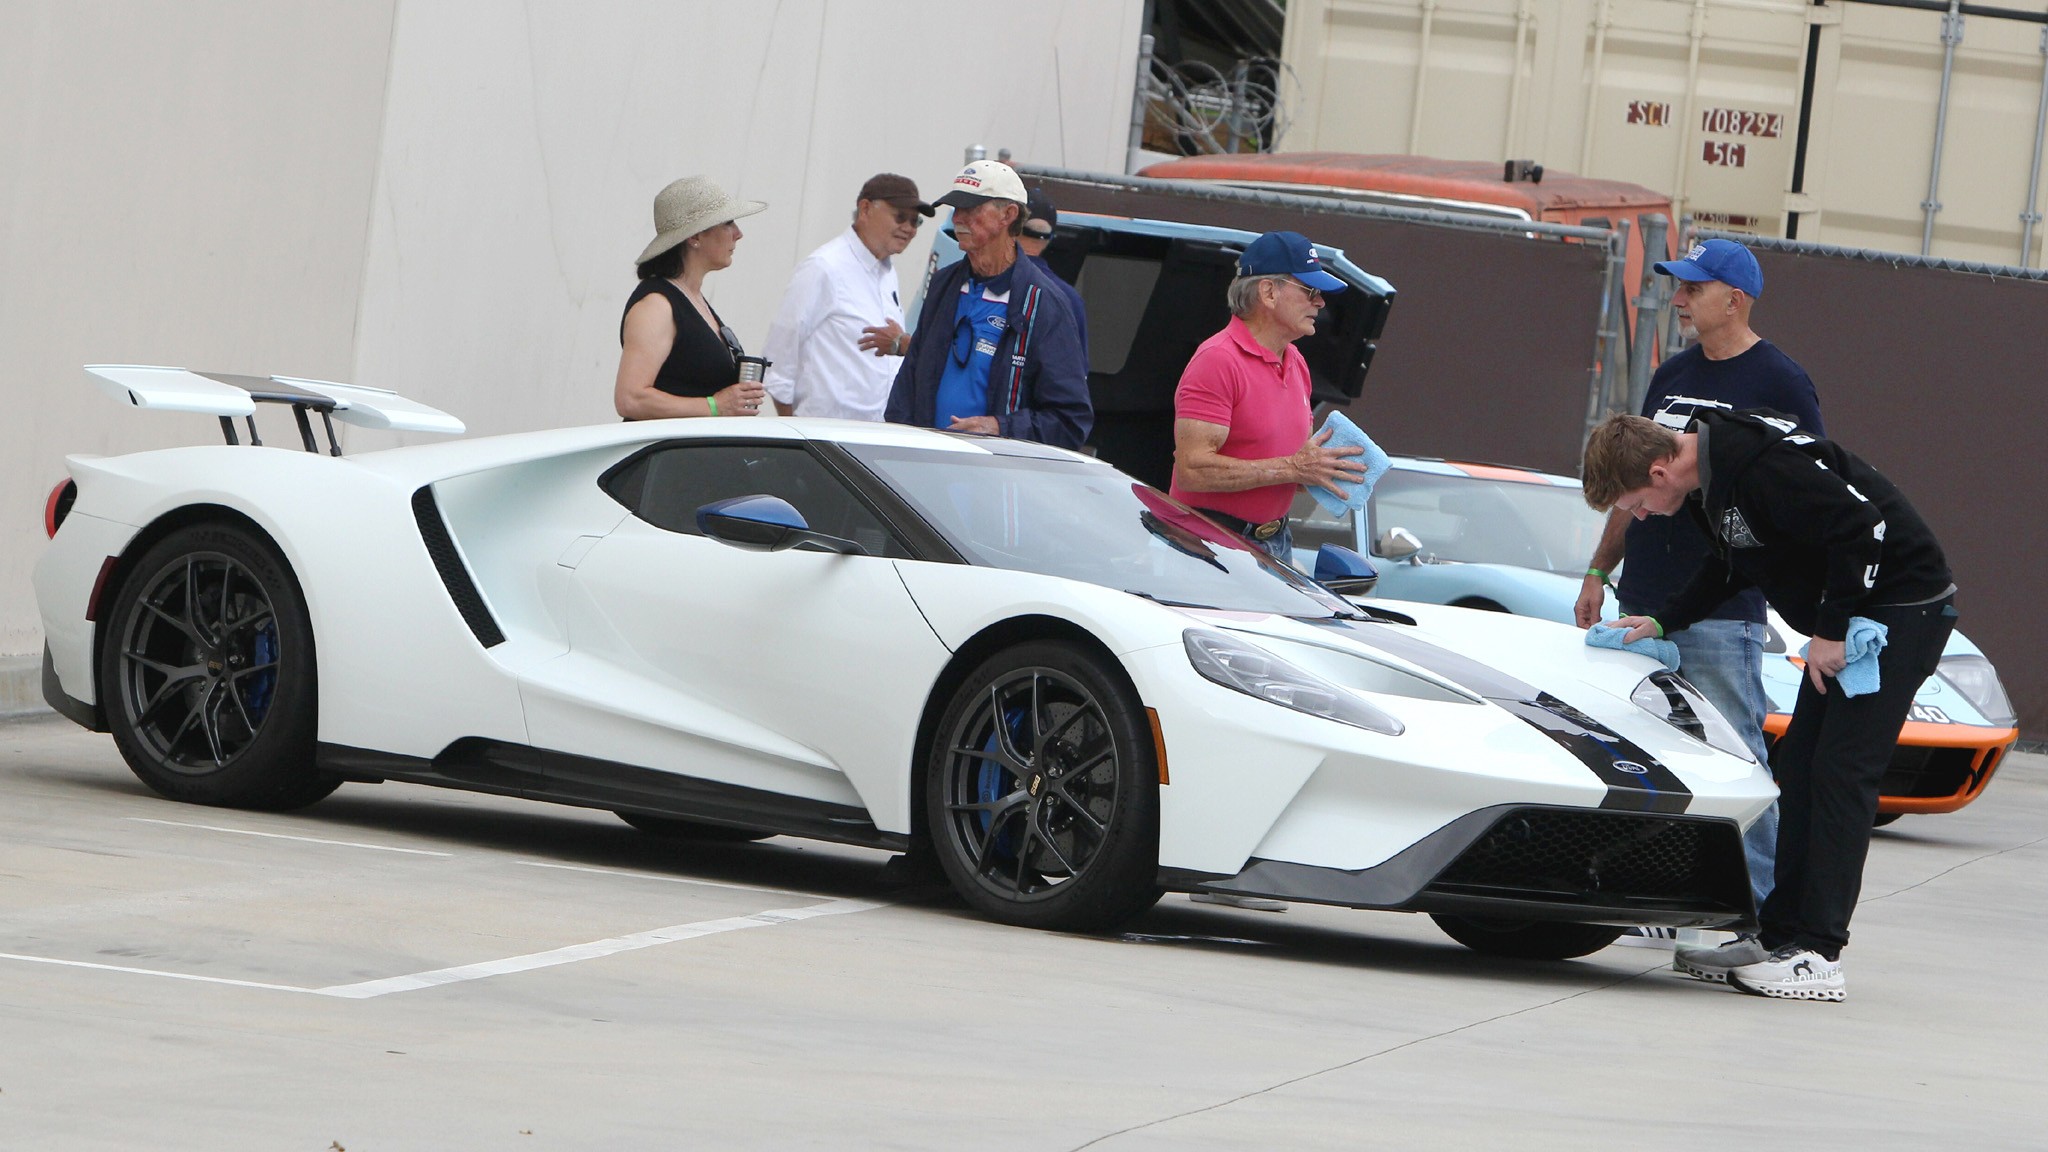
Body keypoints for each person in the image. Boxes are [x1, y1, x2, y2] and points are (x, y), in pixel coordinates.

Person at [1583, 410, 1956, 1002]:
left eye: (1635, 504)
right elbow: (1731, 562)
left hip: (1900, 612)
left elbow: (1863, 525)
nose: (1641, 517)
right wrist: (1662, 619)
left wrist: (1833, 628)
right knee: (1800, 768)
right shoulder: (1711, 483)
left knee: (1840, 773)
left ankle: (1819, 952)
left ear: (1659, 471)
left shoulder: (1760, 466)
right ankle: (1780, 935)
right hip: (1857, 618)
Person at [1574, 238, 1823, 913]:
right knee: (1647, 754)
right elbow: (1636, 482)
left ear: (1733, 299)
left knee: (1736, 757)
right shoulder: (1673, 375)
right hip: (1644, 602)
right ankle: (1662, 897)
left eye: (1693, 289)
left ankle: (1760, 911)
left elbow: (1808, 495)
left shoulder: (1780, 381)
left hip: (1720, 608)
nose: (1679, 301)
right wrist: (1600, 567)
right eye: (1679, 288)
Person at [1167, 230, 1364, 560]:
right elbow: (1193, 470)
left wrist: (1328, 470)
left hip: (1274, 542)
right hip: (1206, 544)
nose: (1320, 302)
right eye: (1310, 290)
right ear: (1269, 292)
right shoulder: (1218, 359)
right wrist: (1293, 469)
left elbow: (1291, 465)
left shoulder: (1296, 361)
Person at [883, 160, 1091, 447]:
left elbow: (1070, 421)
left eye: (971, 209)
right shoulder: (945, 284)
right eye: (956, 209)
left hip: (997, 481)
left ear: (1008, 214)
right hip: (926, 473)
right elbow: (907, 386)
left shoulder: (1046, 304)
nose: (958, 219)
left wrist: (997, 427)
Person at [761, 174, 933, 421]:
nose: (908, 228)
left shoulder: (887, 273)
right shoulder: (824, 267)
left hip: (877, 436)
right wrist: (795, 430)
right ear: (865, 209)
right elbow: (778, 362)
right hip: (825, 438)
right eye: (900, 217)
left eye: (915, 221)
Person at [615, 176, 769, 421]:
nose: (738, 234)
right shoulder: (657, 306)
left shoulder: (690, 299)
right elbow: (630, 399)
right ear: (695, 237)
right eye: (727, 223)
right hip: (667, 455)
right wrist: (715, 406)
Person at [1017, 187, 1088, 360]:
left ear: (1010, 229)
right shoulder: (1069, 298)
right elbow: (1078, 372)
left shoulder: (988, 283)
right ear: (1050, 239)